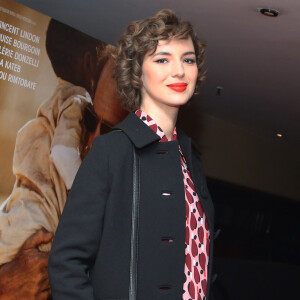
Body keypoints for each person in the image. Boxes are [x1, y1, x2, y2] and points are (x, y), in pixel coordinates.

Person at [48, 9, 215, 300]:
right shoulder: (112, 150)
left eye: (187, 59)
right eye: (163, 59)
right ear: (137, 72)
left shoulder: (191, 159)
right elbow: (66, 263)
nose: (179, 70)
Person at [0, 19, 107, 299]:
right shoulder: (78, 100)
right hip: (37, 225)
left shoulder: (50, 103)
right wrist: (82, 191)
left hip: (17, 214)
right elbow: (62, 152)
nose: (94, 139)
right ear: (89, 61)